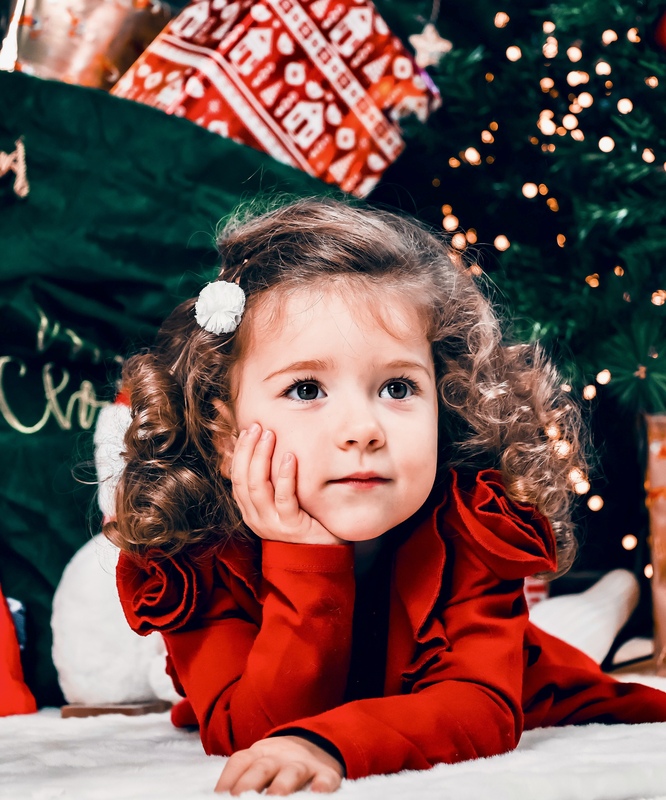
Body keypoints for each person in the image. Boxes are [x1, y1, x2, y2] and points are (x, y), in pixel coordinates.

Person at [108, 197, 666, 796]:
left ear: (445, 399)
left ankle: (610, 604)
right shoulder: (194, 555)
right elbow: (252, 732)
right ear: (224, 436)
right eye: (306, 388)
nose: (363, 429)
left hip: (536, 681)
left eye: (398, 386)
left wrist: (330, 745)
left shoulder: (471, 525)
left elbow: (480, 708)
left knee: (577, 659)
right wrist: (303, 556)